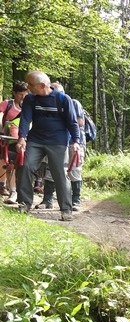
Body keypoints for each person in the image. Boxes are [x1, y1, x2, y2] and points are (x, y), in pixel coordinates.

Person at [15, 71, 80, 221]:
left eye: (31, 85)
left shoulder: (63, 99)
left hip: (58, 141)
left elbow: (72, 122)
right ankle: (24, 204)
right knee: (25, 166)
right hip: (36, 139)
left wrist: (76, 142)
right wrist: (22, 138)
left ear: (42, 85)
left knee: (59, 173)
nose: (28, 88)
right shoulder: (30, 99)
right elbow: (25, 120)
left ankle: (66, 209)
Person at [36, 83, 86, 211]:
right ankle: (47, 200)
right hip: (55, 141)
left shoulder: (73, 103)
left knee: (74, 170)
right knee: (51, 170)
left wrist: (61, 120)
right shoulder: (45, 101)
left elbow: (80, 122)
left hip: (74, 142)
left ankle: (75, 201)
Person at [0, 81, 29, 203]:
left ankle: (16, 189)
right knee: (4, 160)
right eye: (20, 94)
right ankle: (5, 186)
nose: (22, 97)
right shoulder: (8, 104)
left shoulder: (27, 106)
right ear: (14, 93)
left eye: (25, 94)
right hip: (5, 137)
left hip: (20, 139)